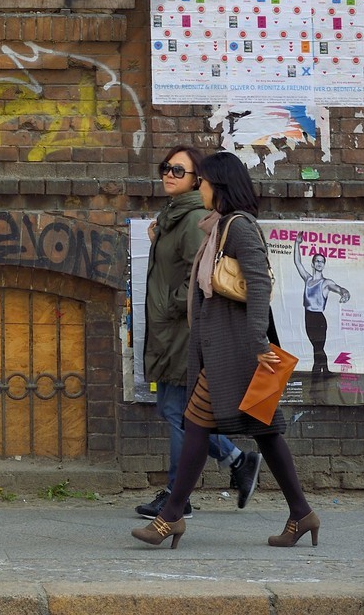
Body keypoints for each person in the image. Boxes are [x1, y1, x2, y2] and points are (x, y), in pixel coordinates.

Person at [132, 151, 320, 551]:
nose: (198, 186)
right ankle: (301, 513)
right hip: (222, 352)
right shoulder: (217, 227)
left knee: (233, 430)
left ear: (218, 186)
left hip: (239, 353)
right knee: (251, 432)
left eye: (202, 182)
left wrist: (256, 342)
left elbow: (259, 282)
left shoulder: (239, 227)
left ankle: (170, 518)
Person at [138, 145, 261, 520]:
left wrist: (173, 305)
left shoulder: (193, 219)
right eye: (166, 168)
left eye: (179, 170)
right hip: (169, 329)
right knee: (172, 408)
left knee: (179, 410)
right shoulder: (174, 217)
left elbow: (198, 273)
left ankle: (179, 496)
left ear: (198, 180)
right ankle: (237, 459)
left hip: (183, 329)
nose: (169, 175)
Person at [293, 235, 350, 378]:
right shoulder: (307, 279)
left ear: (324, 265)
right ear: (312, 264)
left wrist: (345, 292)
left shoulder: (326, 283)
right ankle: (327, 371)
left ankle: (316, 374)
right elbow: (297, 262)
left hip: (319, 320)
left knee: (318, 348)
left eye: (322, 261)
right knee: (316, 347)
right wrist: (296, 244)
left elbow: (338, 288)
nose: (319, 263)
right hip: (308, 319)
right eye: (317, 261)